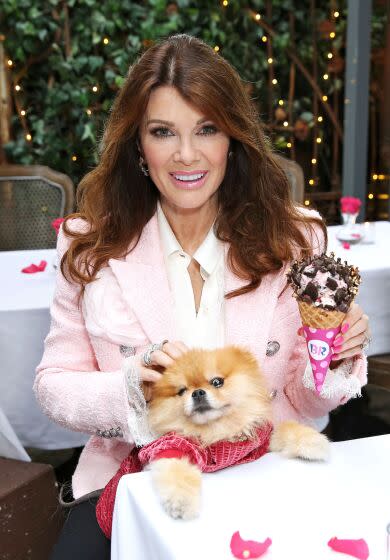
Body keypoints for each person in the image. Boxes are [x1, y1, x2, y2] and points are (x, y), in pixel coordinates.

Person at [35, 34, 370, 560]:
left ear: (232, 139)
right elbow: (54, 386)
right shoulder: (90, 243)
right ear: (138, 146)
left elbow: (309, 398)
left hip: (270, 464)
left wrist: (337, 352)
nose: (186, 155)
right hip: (136, 474)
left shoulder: (295, 238)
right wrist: (132, 387)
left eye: (207, 129)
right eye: (163, 132)